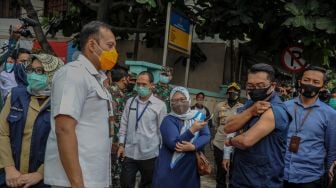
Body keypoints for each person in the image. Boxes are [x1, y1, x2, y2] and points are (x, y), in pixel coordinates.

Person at [44, 21, 118, 188]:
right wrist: (78, 184)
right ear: (92, 44)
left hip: (92, 178)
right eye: (110, 46)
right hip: (75, 182)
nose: (114, 52)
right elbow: (64, 129)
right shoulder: (74, 74)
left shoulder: (95, 78)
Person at [0, 53, 64, 188]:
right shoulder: (16, 95)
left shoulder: (63, 102)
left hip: (45, 180)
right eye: (31, 70)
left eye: (40, 71)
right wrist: (9, 168)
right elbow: (2, 133)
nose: (34, 75)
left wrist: (41, 173)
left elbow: (65, 143)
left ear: (54, 74)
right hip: (10, 178)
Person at [224, 63, 291, 188]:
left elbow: (246, 141)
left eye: (260, 85)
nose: (255, 89)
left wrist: (230, 140)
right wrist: (251, 111)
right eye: (250, 86)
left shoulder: (276, 110)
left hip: (262, 180)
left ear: (273, 86)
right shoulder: (250, 103)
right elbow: (228, 127)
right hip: (240, 175)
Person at [283, 66, 336, 188]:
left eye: (316, 82)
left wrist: (330, 176)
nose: (310, 84)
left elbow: (331, 149)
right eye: (306, 80)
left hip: (311, 178)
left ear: (322, 87)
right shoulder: (284, 107)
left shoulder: (330, 114)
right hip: (280, 174)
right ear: (299, 81)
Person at [151, 86, 210, 188]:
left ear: (188, 99)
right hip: (170, 168)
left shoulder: (199, 116)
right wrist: (192, 130)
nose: (179, 103)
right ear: (170, 102)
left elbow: (206, 135)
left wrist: (194, 146)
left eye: (182, 99)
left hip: (189, 167)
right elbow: (174, 144)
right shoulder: (168, 120)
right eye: (175, 100)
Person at [117, 71, 166, 188]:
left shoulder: (160, 105)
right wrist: (121, 144)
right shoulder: (130, 102)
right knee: (126, 183)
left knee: (147, 185)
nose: (140, 87)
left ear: (152, 85)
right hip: (129, 152)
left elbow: (162, 131)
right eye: (138, 84)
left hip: (150, 154)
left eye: (144, 84)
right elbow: (124, 124)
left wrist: (162, 153)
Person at [212, 82, 243, 188]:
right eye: (230, 92)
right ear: (227, 93)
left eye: (235, 92)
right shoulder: (219, 106)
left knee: (234, 175)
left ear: (239, 93)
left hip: (235, 146)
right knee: (221, 174)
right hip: (219, 144)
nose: (232, 93)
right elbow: (215, 124)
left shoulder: (242, 108)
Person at [109, 68, 128, 187]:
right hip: (117, 141)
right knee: (116, 174)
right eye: (127, 78)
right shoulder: (121, 96)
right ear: (123, 79)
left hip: (105, 139)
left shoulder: (105, 91)